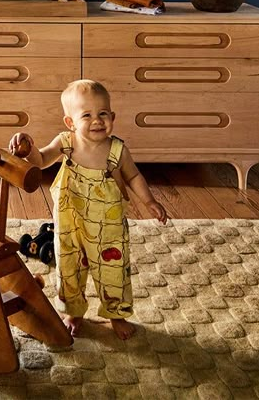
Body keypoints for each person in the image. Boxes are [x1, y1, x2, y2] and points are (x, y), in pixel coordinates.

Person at [9, 78, 168, 340]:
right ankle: (73, 312)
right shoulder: (67, 142)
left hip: (109, 226)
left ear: (113, 116)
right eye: (87, 115)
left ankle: (116, 314)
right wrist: (27, 145)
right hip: (71, 223)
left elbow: (134, 177)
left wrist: (149, 201)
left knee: (113, 270)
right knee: (69, 267)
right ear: (70, 122)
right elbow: (41, 159)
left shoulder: (117, 149)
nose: (97, 120)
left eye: (103, 113)